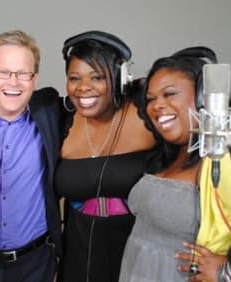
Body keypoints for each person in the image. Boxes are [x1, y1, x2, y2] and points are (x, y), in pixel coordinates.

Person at [119, 47, 231, 282]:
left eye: (169, 94)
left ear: (204, 97)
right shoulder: (167, 153)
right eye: (150, 99)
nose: (156, 105)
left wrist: (230, 273)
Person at [54, 31, 156, 282]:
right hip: (79, 253)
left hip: (138, 252)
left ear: (120, 78)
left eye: (97, 77)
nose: (83, 88)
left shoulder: (148, 115)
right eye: (74, 78)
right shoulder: (60, 120)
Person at [0, 30, 62, 282]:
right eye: (3, 72)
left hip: (36, 262)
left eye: (23, 73)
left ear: (35, 79)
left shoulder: (50, 112)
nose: (14, 82)